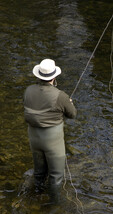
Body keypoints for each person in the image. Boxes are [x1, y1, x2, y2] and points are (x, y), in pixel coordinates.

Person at [23, 59, 77, 202]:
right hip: (52, 141)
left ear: (38, 76)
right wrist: (69, 103)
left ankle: (37, 194)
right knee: (56, 175)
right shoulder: (61, 96)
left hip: (34, 138)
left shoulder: (28, 90)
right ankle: (54, 207)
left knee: (39, 172)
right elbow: (72, 114)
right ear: (54, 77)